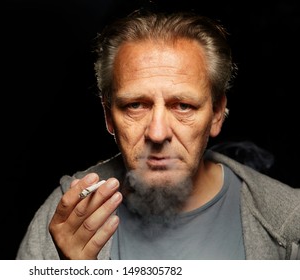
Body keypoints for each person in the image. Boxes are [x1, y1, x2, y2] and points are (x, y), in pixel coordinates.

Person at [16, 9, 300, 260]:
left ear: (216, 114)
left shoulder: (287, 222)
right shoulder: (66, 217)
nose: (158, 132)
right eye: (136, 105)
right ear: (108, 116)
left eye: (183, 106)